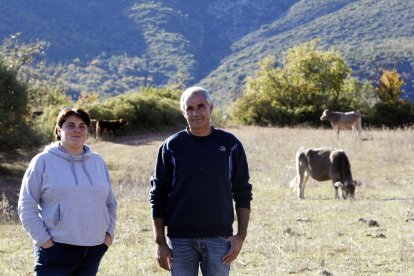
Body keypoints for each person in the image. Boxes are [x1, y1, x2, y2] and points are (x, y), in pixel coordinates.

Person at [150, 87, 253, 275]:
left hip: (219, 238)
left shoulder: (231, 145)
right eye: (189, 108)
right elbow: (158, 194)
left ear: (211, 107)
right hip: (180, 240)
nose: (195, 113)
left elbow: (243, 191)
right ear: (183, 112)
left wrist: (241, 236)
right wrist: (161, 242)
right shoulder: (171, 147)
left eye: (200, 106)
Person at [18, 108, 117, 275]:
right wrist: (45, 242)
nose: (77, 129)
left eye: (82, 126)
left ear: (87, 130)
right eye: (70, 125)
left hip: (94, 249)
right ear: (58, 130)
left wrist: (109, 236)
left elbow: (110, 203)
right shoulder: (43, 161)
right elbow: (26, 205)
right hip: (56, 249)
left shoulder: (98, 162)